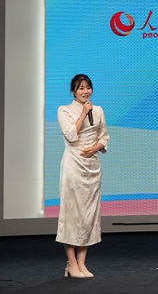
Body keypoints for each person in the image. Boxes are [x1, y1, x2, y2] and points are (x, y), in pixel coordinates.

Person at [56, 74, 110, 279]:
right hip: (73, 166)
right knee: (72, 214)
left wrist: (96, 147)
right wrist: (83, 113)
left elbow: (104, 136)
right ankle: (71, 264)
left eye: (88, 87)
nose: (85, 91)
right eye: (81, 88)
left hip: (92, 167)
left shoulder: (98, 110)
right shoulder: (64, 110)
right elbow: (71, 135)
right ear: (73, 92)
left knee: (88, 214)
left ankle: (82, 263)